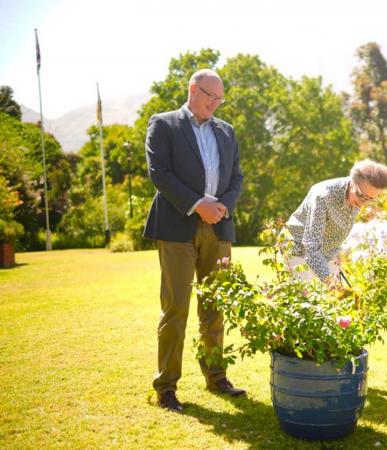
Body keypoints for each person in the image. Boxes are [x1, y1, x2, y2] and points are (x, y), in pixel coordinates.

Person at [144, 69, 245, 412]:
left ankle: (217, 377)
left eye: (220, 99)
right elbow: (160, 174)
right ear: (192, 89)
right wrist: (196, 204)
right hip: (176, 228)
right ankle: (167, 387)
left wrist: (220, 207)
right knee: (176, 308)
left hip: (218, 228)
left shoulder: (227, 131)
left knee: (215, 306)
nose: (215, 104)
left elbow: (237, 177)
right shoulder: (164, 123)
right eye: (209, 96)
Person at [284, 160, 387, 284]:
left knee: (336, 299)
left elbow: (336, 227)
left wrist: (335, 252)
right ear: (352, 182)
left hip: (323, 254)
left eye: (370, 199)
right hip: (297, 250)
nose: (362, 203)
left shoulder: (358, 197)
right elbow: (311, 246)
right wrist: (329, 281)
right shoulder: (323, 196)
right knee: (304, 299)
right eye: (361, 195)